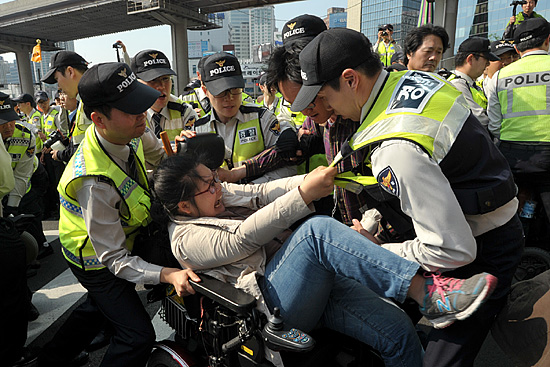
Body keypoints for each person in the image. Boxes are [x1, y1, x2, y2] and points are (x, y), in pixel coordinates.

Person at [291, 28, 524, 367]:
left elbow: (454, 250)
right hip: (480, 214)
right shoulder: (413, 83)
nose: (326, 109)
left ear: (351, 79)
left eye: (325, 96)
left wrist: (379, 253)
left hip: (483, 251)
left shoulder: (395, 147)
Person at [152, 153, 497, 367]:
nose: (218, 187)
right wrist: (304, 196)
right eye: (208, 186)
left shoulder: (216, 195)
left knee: (398, 332)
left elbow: (261, 192)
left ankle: (427, 299)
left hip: (307, 285)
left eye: (214, 179)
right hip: (271, 305)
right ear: (184, 207)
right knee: (317, 232)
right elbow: (241, 239)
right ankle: (429, 294)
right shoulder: (185, 239)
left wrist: (313, 179)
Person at [37, 62, 200, 367]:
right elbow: (114, 261)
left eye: (141, 102)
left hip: (124, 237)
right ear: (99, 119)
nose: (143, 113)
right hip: (95, 259)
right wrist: (167, 274)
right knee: (136, 336)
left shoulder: (133, 130)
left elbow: (161, 157)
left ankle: (50, 358)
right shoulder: (92, 181)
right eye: (131, 109)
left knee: (99, 308)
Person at [188, 52, 297, 184]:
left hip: (261, 199)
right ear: (205, 91)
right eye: (221, 92)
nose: (230, 98)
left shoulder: (262, 118)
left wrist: (249, 190)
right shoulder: (198, 129)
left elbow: (288, 166)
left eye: (235, 89)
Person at [487, 18, 550, 233]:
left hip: (512, 157)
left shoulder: (499, 76)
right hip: (547, 157)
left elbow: (495, 124)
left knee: (509, 213)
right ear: (548, 40)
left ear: (516, 47)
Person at [131, 49, 198, 142]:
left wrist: (187, 144)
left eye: (165, 79)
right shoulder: (130, 113)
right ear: (136, 84)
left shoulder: (184, 110)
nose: (161, 86)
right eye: (153, 80)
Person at [444, 37, 499, 129]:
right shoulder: (457, 84)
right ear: (470, 59)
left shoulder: (470, 83)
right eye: (486, 59)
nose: (488, 64)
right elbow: (479, 119)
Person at [41, 50, 91, 150]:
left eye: (57, 79)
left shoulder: (94, 99)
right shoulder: (84, 100)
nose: (59, 87)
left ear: (70, 72)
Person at [35, 90, 67, 219]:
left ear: (48, 100)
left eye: (44, 101)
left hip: (57, 152)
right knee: (52, 183)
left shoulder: (56, 113)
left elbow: (62, 134)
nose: (42, 105)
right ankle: (57, 209)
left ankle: (62, 210)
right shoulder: (43, 116)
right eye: (40, 103)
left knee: (59, 181)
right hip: (48, 153)